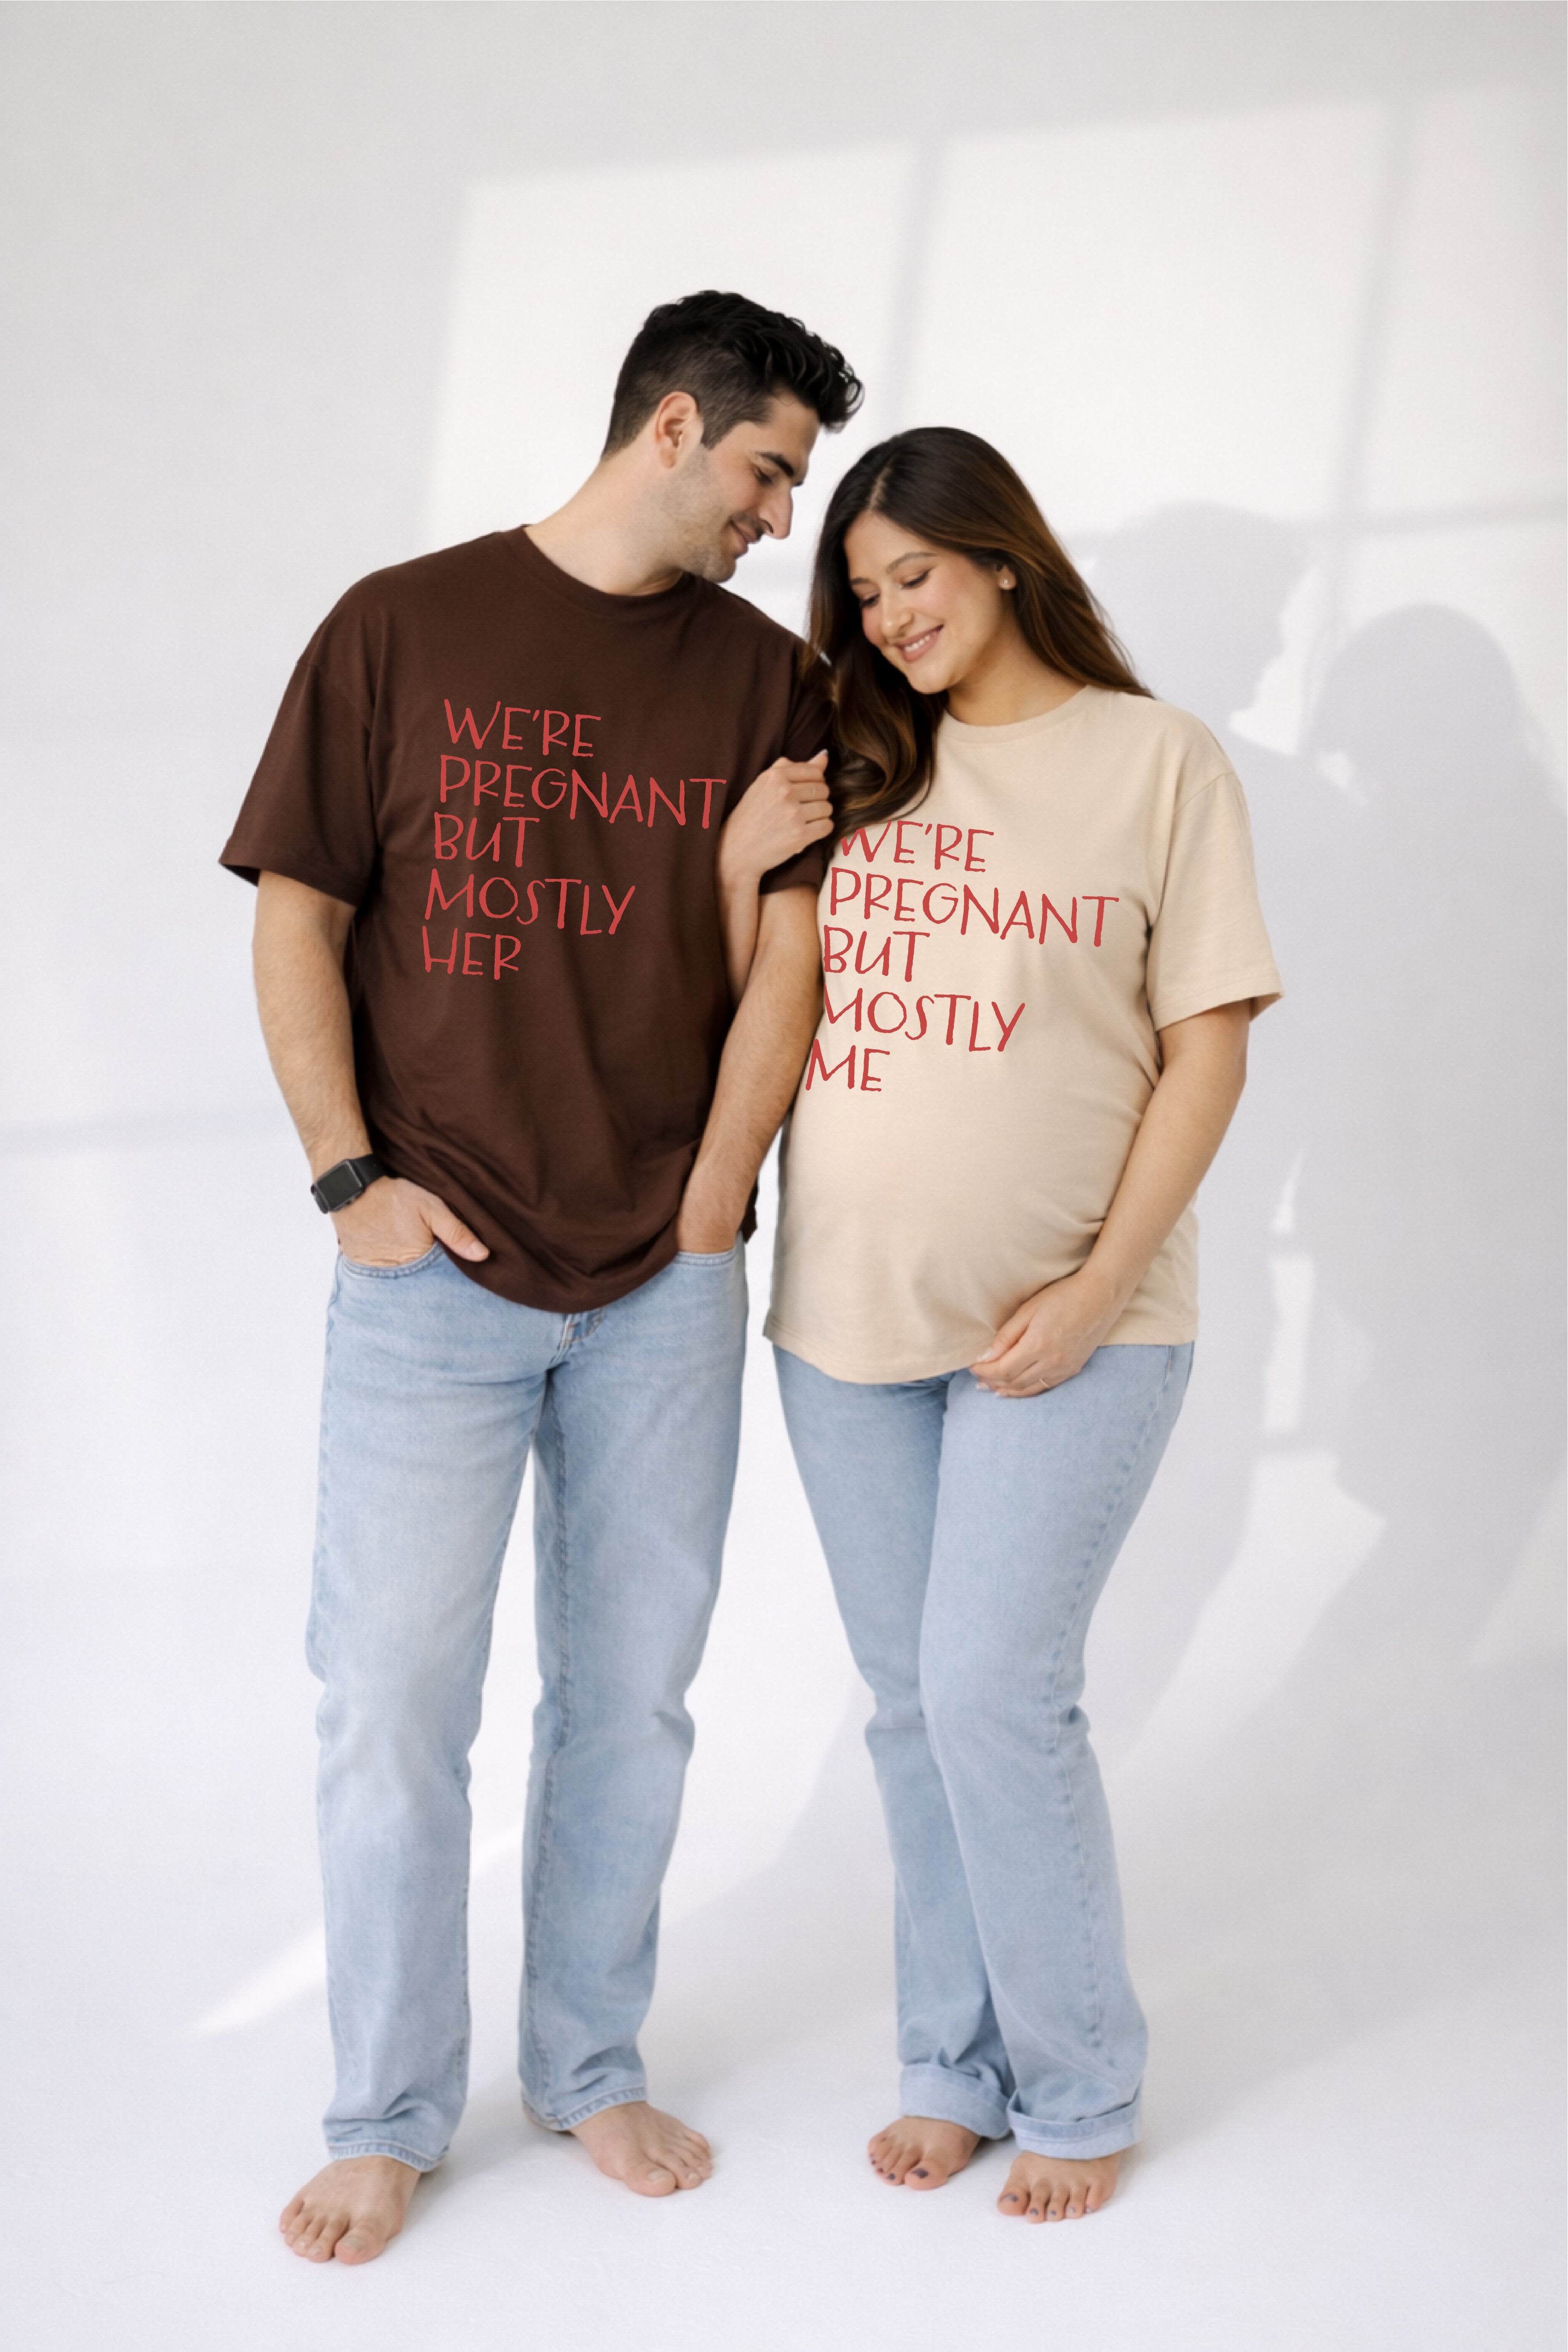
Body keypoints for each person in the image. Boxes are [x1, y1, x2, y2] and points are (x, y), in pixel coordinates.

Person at [221, 291, 860, 2264]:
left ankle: (586, 2062)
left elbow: (795, 976)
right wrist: (350, 1182)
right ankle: (390, 2109)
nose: (781, 521)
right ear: (673, 427)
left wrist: (710, 1217)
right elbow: (301, 919)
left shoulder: (771, 690)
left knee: (631, 1699)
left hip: (662, 1281)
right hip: (432, 1272)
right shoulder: (401, 626)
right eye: (768, 471)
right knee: (393, 1699)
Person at [751, 428, 1282, 2223]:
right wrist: (738, 854)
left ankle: (1075, 2080)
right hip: (842, 1319)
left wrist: (1096, 1283)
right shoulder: (849, 763)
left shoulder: (1158, 760)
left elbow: (1207, 1043)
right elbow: (751, 998)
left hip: (1084, 1320)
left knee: (994, 1688)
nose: (893, 614)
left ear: (1001, 558)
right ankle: (948, 2062)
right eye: (865, 589)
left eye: (920, 575)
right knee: (914, 1704)